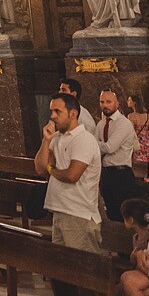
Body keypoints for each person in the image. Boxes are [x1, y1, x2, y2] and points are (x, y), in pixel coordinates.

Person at [36, 91, 103, 252]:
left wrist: (51, 169)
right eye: (51, 111)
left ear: (73, 113)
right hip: (60, 209)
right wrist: (46, 140)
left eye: (57, 111)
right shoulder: (57, 137)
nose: (52, 116)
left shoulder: (84, 139)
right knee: (61, 270)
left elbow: (72, 175)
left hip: (79, 214)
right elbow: (39, 168)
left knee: (82, 271)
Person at [95, 87, 139, 220]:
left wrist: (93, 142)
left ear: (117, 103)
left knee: (125, 216)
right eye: (102, 102)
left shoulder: (124, 123)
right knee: (111, 214)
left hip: (122, 174)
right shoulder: (101, 124)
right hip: (106, 174)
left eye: (109, 102)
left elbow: (109, 147)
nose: (105, 105)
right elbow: (96, 149)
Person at [125, 93, 149, 191]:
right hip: (147, 143)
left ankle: (140, 189)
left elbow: (131, 132)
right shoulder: (147, 116)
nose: (128, 102)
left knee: (139, 167)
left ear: (134, 103)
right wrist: (144, 133)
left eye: (129, 100)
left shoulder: (131, 116)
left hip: (138, 144)